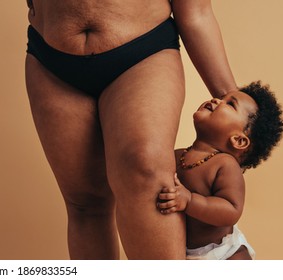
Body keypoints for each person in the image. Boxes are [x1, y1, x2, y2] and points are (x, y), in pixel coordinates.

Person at [25, 0, 242, 259]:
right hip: (51, 58)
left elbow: (196, 12)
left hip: (142, 52)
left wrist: (236, 108)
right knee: (84, 203)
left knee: (148, 175)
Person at [156, 81, 283, 260]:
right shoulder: (178, 155)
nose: (216, 101)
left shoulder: (225, 165)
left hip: (223, 253)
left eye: (230, 104)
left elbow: (231, 210)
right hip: (184, 253)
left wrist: (190, 201)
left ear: (239, 140)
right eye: (220, 98)